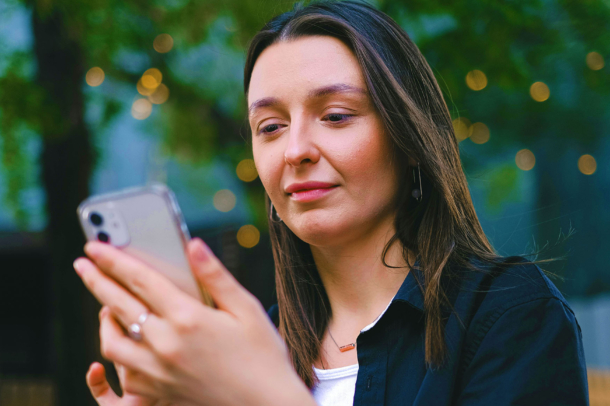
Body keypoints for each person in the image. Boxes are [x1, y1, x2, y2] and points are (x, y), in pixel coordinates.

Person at [73, 1, 589, 405]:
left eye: (337, 115)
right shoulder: (259, 340)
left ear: (408, 138)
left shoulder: (510, 315)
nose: (295, 150)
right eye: (270, 127)